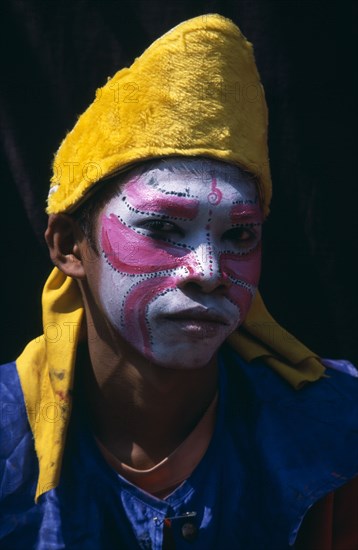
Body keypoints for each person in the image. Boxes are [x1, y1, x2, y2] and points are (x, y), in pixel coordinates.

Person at [0, 14, 357, 549]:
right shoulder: (8, 439)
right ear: (68, 245)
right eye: (163, 228)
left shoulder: (341, 427)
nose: (210, 273)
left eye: (240, 236)